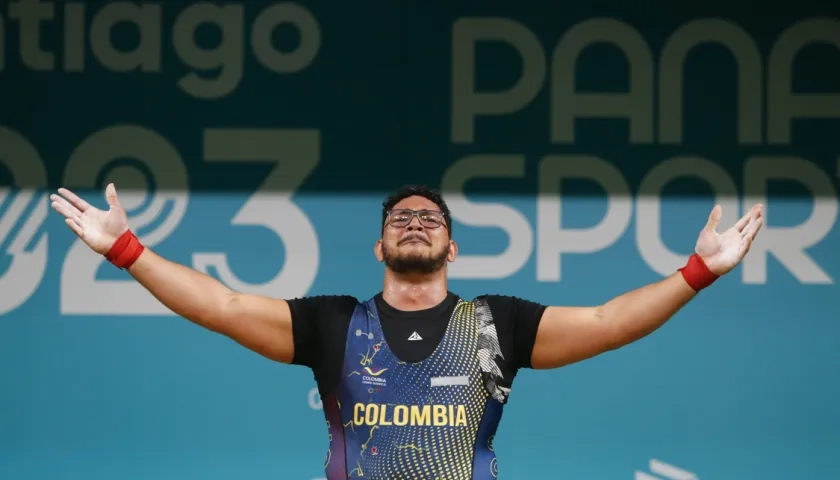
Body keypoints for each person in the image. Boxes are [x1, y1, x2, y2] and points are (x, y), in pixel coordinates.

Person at [50, 183, 763, 480]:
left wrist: (698, 271)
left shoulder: (496, 323)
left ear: (452, 248)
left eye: (431, 220)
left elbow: (609, 324)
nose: (415, 222)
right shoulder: (334, 324)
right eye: (401, 218)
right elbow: (221, 306)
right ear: (379, 247)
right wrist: (126, 250)